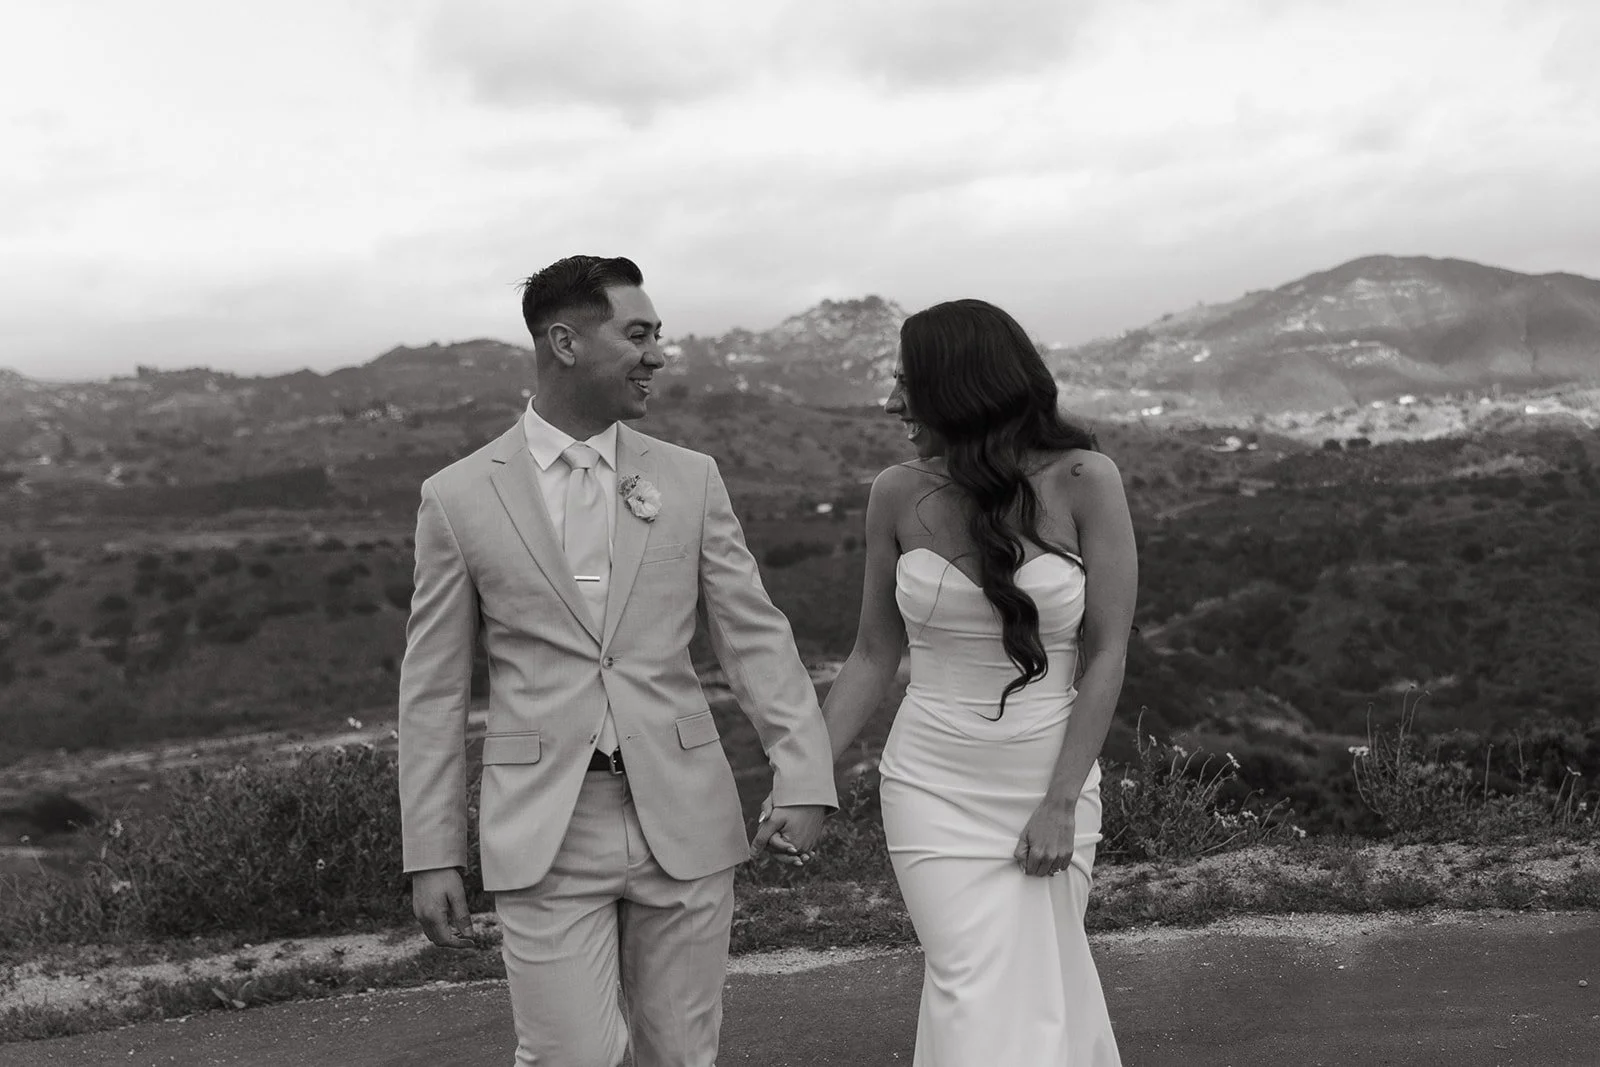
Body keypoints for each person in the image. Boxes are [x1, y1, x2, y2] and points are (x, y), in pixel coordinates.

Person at [396, 255, 837, 1067]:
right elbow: (432, 690)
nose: (658, 355)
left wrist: (804, 773)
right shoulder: (456, 497)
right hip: (546, 828)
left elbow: (754, 636)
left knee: (681, 1055)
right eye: (638, 334)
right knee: (568, 1056)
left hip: (686, 811)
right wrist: (432, 852)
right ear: (564, 342)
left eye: (657, 335)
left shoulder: (690, 477)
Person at [819, 298, 1135, 1064]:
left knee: (1038, 985)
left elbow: (1107, 652)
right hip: (930, 785)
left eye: (908, 383)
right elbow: (870, 654)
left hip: (1047, 780)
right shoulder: (895, 491)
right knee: (969, 982)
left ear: (963, 388)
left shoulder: (1087, 479)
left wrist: (1060, 802)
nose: (893, 403)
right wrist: (805, 777)